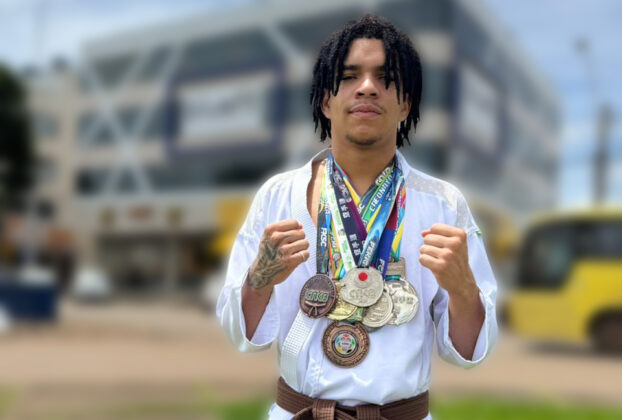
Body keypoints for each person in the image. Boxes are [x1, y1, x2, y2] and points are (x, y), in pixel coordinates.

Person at [217, 14, 498, 420]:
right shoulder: (278, 196)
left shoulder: (442, 205)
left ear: (405, 104)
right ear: (325, 101)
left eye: (385, 77)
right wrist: (259, 280)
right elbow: (241, 336)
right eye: (349, 76)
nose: (367, 87)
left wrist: (463, 289)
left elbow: (470, 353)